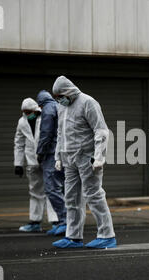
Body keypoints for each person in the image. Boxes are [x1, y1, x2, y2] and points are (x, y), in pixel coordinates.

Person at [51, 76, 117, 249]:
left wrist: (99, 156)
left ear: (68, 92)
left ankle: (107, 235)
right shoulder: (62, 106)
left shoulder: (87, 102)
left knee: (93, 195)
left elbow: (101, 130)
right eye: (56, 97)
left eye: (60, 95)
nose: (59, 99)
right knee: (71, 198)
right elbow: (60, 133)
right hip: (69, 158)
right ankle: (73, 237)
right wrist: (58, 156)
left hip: (87, 157)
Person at [14, 98, 59, 232]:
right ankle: (35, 221)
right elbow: (19, 143)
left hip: (47, 159)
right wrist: (18, 163)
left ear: (35, 110)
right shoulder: (22, 122)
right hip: (32, 162)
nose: (27, 114)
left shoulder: (46, 118)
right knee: (35, 191)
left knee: (52, 189)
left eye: (29, 112)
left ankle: (56, 221)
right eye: (25, 112)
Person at [36, 90, 68, 236]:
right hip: (63, 152)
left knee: (51, 188)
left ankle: (64, 220)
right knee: (62, 188)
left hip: (51, 154)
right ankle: (66, 221)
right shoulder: (58, 106)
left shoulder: (48, 109)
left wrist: (41, 152)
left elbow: (46, 133)